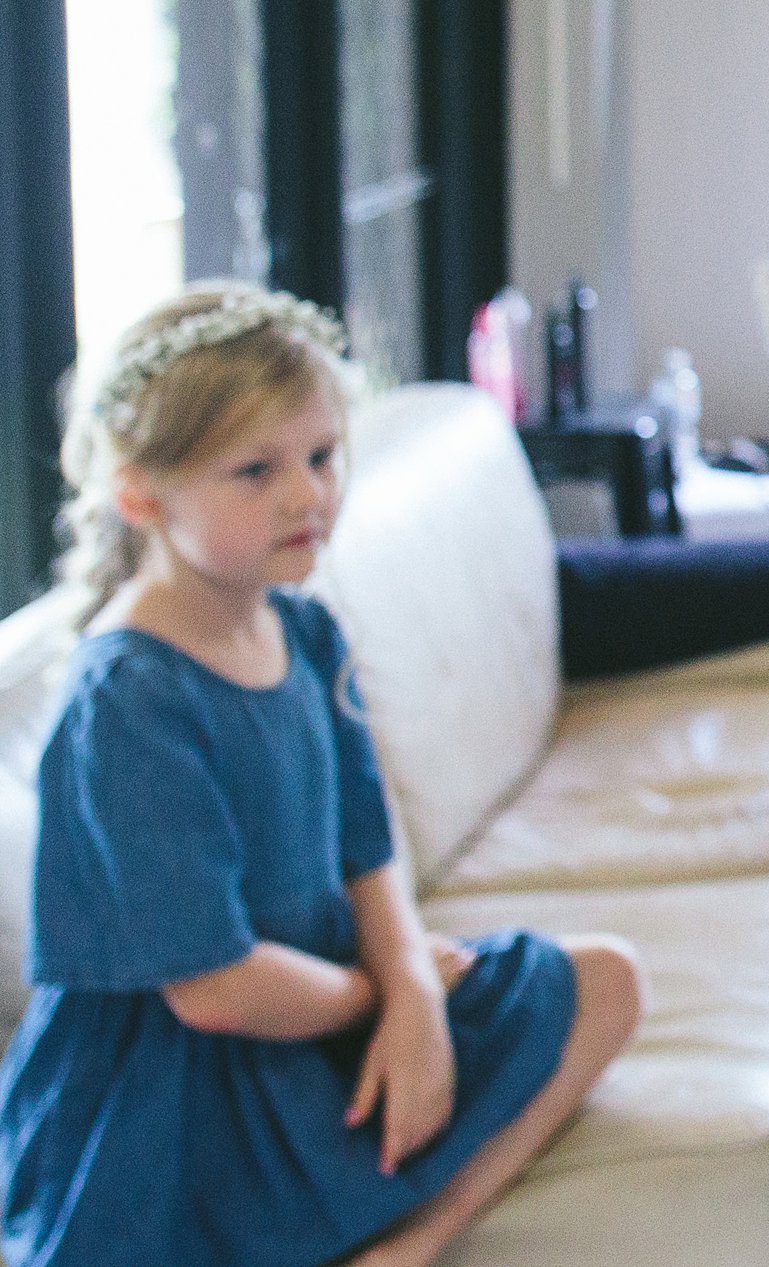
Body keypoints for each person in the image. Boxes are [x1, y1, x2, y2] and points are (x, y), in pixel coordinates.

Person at [0, 282, 645, 1267]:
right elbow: (212, 990)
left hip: (333, 1017)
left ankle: (411, 1242)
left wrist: (415, 994)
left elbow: (367, 845)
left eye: (321, 455)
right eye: (255, 470)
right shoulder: (127, 697)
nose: (307, 495)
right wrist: (380, 997)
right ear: (141, 495)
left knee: (606, 983)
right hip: (178, 1096)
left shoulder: (303, 630)